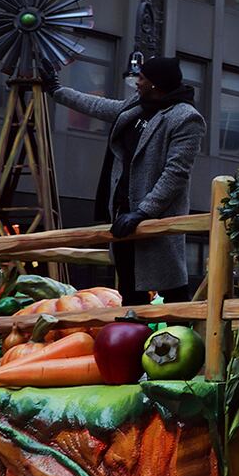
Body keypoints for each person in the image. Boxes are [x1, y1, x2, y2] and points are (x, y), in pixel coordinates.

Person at [47, 57, 206, 303]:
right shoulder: (138, 104)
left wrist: (143, 213)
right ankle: (132, 339)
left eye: (142, 78)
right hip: (123, 212)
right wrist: (57, 91)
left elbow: (176, 173)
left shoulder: (186, 118)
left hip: (157, 219)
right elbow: (100, 107)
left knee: (172, 290)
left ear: (156, 83)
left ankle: (180, 338)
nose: (137, 82)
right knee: (130, 292)